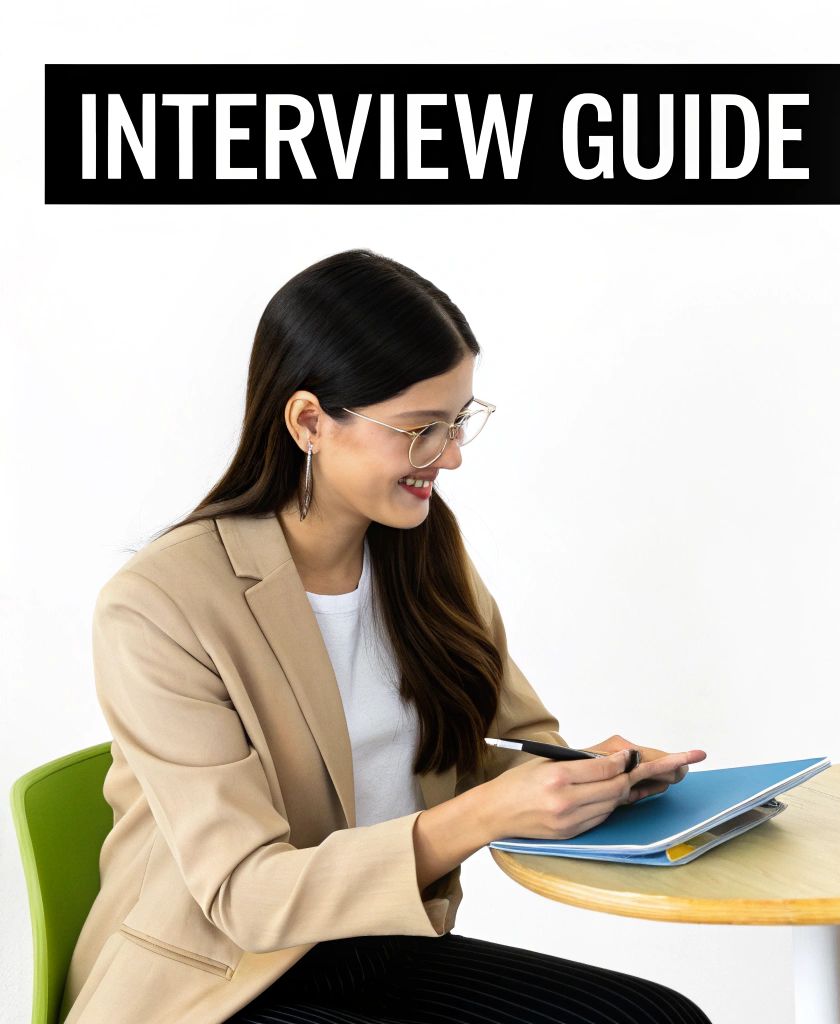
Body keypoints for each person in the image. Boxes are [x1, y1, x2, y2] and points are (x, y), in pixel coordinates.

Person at [63, 250, 714, 1024]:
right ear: (309, 420)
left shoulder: (422, 550)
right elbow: (245, 895)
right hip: (212, 986)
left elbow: (494, 754)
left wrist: (587, 778)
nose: (453, 456)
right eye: (420, 430)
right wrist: (483, 816)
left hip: (372, 945)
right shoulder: (160, 605)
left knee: (656, 1020)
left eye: (459, 421)